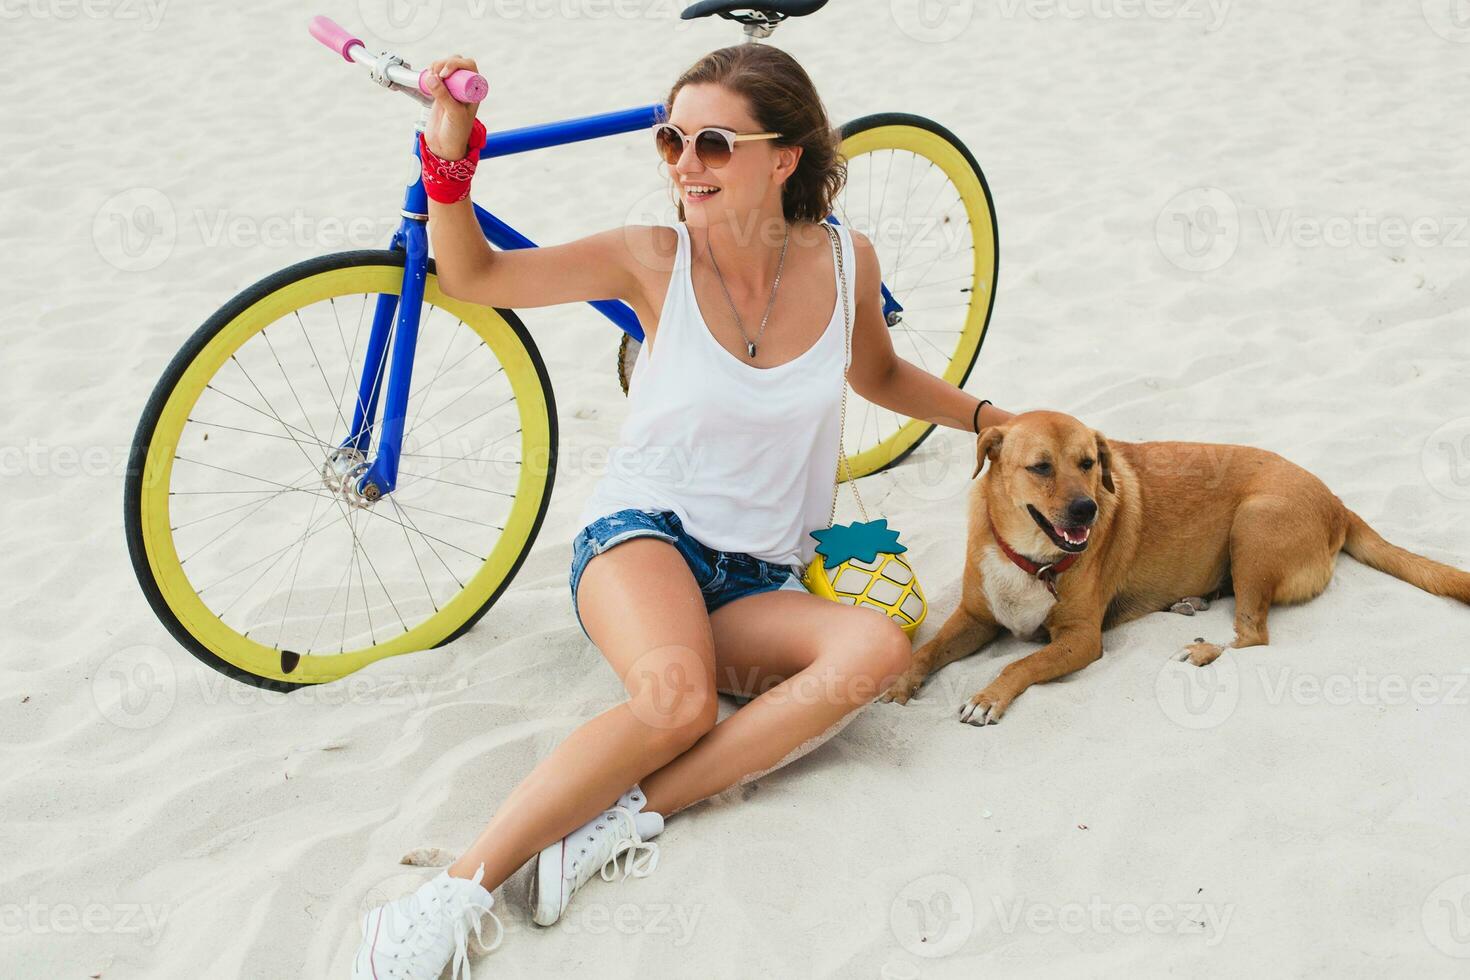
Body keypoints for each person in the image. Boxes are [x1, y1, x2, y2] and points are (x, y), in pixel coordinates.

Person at [351, 42, 1015, 979]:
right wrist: (448, 155)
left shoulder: (845, 258)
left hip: (757, 576)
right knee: (676, 700)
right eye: (671, 142)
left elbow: (880, 374)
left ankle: (622, 818)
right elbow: (476, 276)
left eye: (711, 144)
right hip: (641, 541)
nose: (683, 166)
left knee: (873, 650)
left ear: (785, 158)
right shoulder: (650, 260)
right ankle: (451, 894)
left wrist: (990, 417)